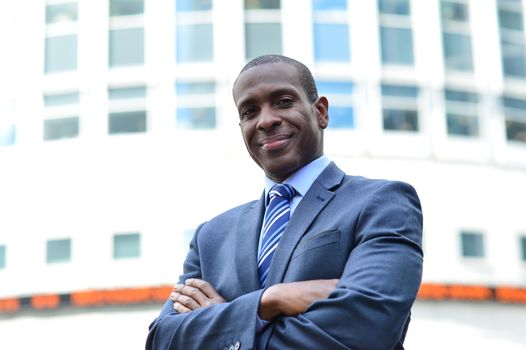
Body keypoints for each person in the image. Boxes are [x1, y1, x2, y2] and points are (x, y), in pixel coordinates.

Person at [145, 55, 423, 350]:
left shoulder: (383, 203)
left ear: (321, 112)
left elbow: (366, 328)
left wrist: (225, 327)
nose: (266, 120)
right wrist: (270, 301)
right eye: (250, 111)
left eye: (284, 101)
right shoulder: (211, 237)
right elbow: (163, 340)